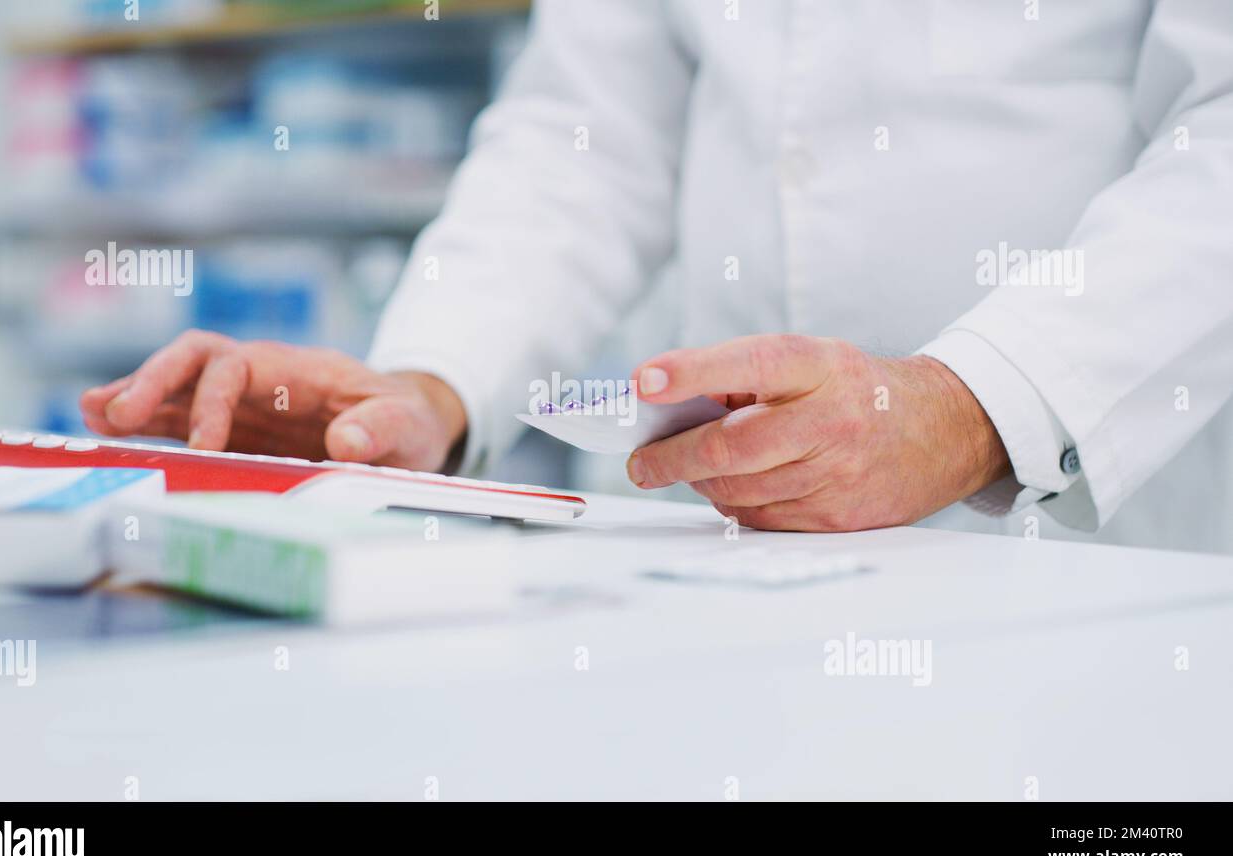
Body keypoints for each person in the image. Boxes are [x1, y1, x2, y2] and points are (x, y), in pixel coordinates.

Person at [82, 0, 1233, 552]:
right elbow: (586, 133)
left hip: (1095, 527)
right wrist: (429, 385)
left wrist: (978, 404)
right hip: (721, 546)